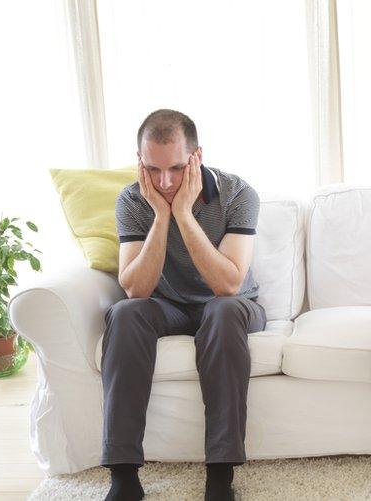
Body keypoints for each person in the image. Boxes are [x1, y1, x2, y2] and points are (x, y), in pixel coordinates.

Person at [101, 109, 265, 501]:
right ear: (139, 160)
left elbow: (228, 283)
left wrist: (184, 214)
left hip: (231, 305)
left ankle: (220, 478)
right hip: (168, 306)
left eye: (176, 168)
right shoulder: (132, 199)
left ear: (197, 157)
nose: (165, 181)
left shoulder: (238, 193)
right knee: (124, 315)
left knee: (221, 311)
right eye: (153, 169)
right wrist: (161, 214)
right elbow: (135, 289)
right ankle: (124, 477)